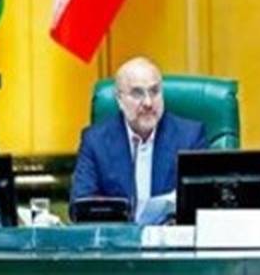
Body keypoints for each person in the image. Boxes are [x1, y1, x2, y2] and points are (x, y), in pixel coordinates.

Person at [71, 57, 206, 223]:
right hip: (118, 237)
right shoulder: (95, 141)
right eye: (137, 94)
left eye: (154, 91)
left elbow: (203, 206)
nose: (148, 103)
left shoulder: (190, 137)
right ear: (119, 99)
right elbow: (80, 207)